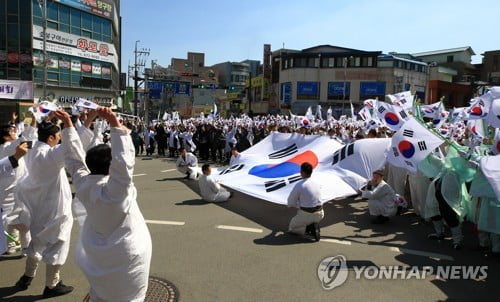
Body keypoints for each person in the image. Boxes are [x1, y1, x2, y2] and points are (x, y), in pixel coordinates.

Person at [55, 108, 152, 302]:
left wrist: (68, 126)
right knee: (130, 296)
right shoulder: (116, 191)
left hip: (96, 254)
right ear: (111, 166)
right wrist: (115, 124)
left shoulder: (83, 184)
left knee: (100, 293)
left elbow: (74, 160)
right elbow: (123, 164)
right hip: (127, 254)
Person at [14, 119, 74, 298]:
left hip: (38, 205)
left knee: (37, 242)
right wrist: (73, 123)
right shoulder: (50, 155)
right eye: (57, 136)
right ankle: (52, 284)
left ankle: (27, 276)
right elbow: (74, 146)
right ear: (50, 138)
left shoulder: (31, 149)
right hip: (56, 208)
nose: (59, 139)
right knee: (58, 244)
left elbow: (29, 135)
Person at [0, 142, 29, 255]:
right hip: (14, 195)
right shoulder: (8, 147)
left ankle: (12, 246)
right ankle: (25, 248)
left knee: (14, 223)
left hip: (12, 196)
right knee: (23, 225)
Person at [287, 162, 324, 241]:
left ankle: (309, 228)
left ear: (302, 172)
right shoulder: (318, 182)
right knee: (308, 216)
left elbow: (291, 202)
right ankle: (312, 225)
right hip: (320, 214)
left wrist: (292, 205)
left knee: (292, 228)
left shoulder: (300, 185)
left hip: (306, 215)